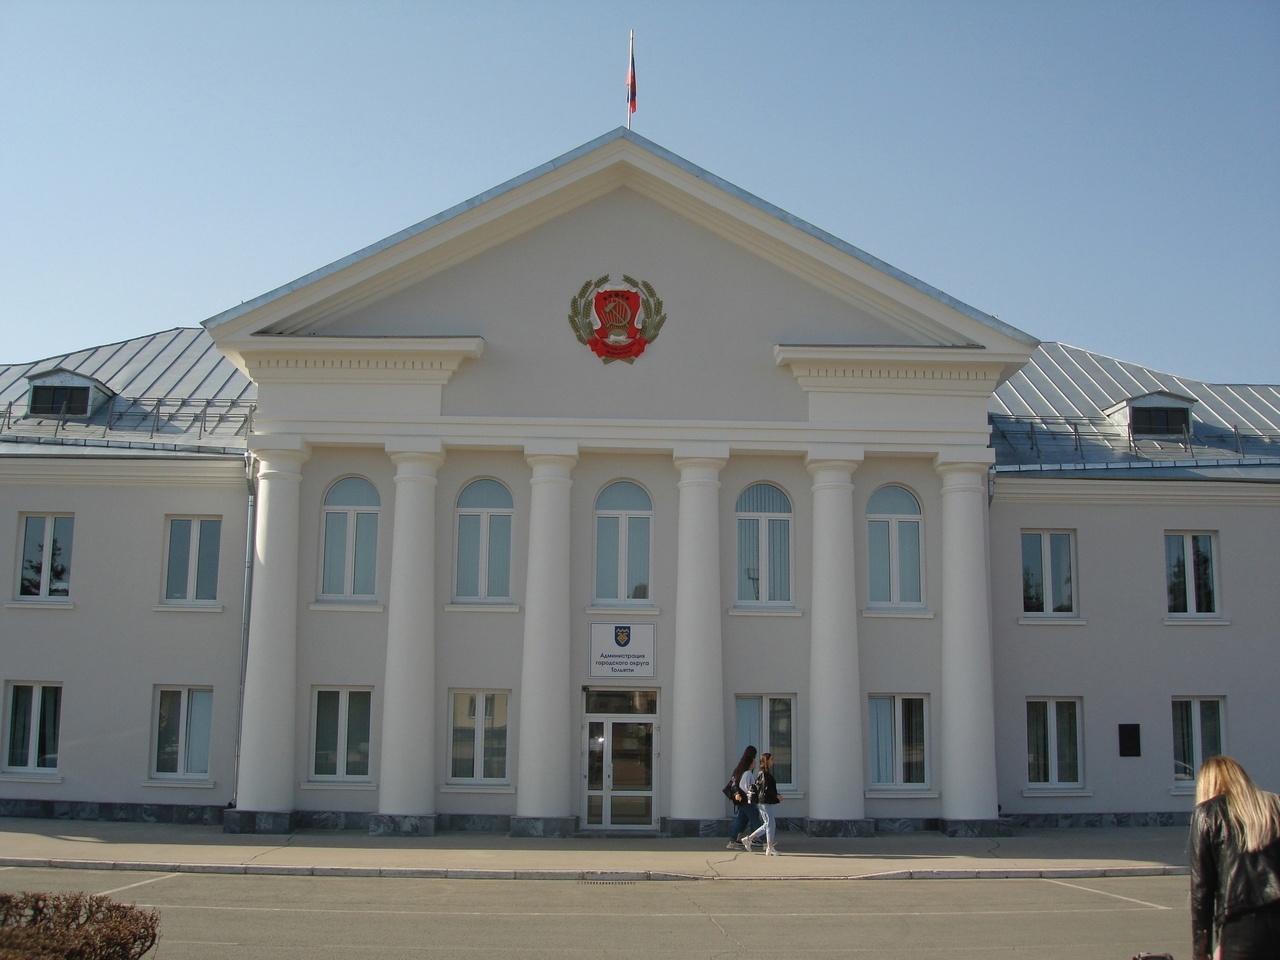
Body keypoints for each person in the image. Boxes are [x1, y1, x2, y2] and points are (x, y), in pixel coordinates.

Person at [1189, 755, 1280, 960]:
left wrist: (1201, 950)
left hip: (1243, 925)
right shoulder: (1274, 805)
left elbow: (1201, 889)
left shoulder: (1208, 812)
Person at [742, 752, 782, 856]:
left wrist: (776, 795)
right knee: (771, 824)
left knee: (767, 824)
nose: (773, 761)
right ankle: (769, 847)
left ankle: (749, 839)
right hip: (764, 801)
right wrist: (776, 796)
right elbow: (766, 789)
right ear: (766, 761)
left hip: (764, 801)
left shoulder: (764, 772)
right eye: (771, 759)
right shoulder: (764, 773)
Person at [726, 745, 761, 849]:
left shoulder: (740, 769)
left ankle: (734, 841)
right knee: (755, 820)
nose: (755, 761)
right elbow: (744, 785)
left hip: (742, 800)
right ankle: (762, 839)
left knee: (742, 821)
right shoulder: (747, 772)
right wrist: (750, 793)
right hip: (746, 800)